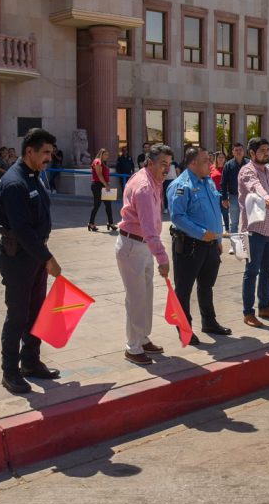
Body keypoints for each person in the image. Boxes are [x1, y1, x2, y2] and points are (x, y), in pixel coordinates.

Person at [0, 128, 63, 394]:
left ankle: (31, 362)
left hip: (34, 255)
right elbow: (22, 230)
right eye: (45, 152)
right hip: (19, 258)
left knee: (36, 313)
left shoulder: (35, 176)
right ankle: (10, 372)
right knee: (18, 317)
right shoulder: (15, 182)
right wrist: (48, 258)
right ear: (29, 151)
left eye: (51, 152)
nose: (49, 157)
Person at [116, 144, 173, 366]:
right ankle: (133, 346)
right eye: (162, 164)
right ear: (150, 162)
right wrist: (163, 258)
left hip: (142, 244)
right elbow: (149, 228)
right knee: (136, 298)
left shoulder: (151, 180)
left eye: (169, 164)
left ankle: (142, 338)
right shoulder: (144, 187)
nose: (166, 169)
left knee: (146, 295)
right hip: (134, 244)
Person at [167, 146, 230, 344]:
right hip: (190, 245)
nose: (210, 164)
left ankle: (209, 322)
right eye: (205, 161)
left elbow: (214, 212)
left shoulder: (208, 181)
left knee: (206, 285)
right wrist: (202, 234)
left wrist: (217, 240)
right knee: (184, 289)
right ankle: (184, 329)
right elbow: (177, 217)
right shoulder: (180, 185)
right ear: (193, 163)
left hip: (211, 244)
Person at [238, 137, 269, 328]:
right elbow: (254, 186)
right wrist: (266, 197)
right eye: (263, 150)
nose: (267, 153)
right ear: (252, 153)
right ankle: (248, 312)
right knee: (251, 272)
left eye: (268, 149)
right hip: (255, 231)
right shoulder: (246, 171)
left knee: (268, 271)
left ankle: (264, 306)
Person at [220, 142, 246, 234]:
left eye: (240, 150)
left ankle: (246, 244)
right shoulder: (228, 165)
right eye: (236, 150)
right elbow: (223, 183)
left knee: (248, 222)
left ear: (243, 151)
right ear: (233, 152)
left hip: (248, 197)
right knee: (234, 223)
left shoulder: (249, 164)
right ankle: (234, 245)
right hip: (234, 196)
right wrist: (224, 198)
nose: (238, 152)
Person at [89, 147, 116, 232]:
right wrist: (106, 185)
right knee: (96, 205)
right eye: (105, 154)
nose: (107, 156)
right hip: (97, 185)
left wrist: (106, 185)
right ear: (101, 154)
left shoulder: (103, 163)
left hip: (103, 185)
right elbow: (99, 175)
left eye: (108, 155)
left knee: (108, 205)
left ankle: (110, 223)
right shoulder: (98, 161)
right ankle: (91, 223)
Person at [211, 150, 230, 235]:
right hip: (214, 193)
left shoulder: (227, 168)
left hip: (224, 192)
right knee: (215, 211)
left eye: (222, 157)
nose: (221, 159)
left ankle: (227, 229)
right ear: (216, 158)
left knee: (225, 211)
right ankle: (217, 229)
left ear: (225, 158)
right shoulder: (211, 167)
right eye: (219, 157)